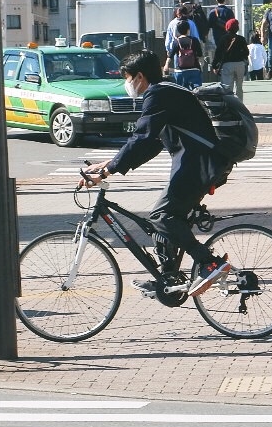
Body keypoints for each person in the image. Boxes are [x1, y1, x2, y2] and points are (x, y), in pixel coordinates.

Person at [81, 49, 231, 296]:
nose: (127, 84)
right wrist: (110, 162)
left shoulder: (157, 94)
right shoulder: (168, 90)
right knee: (164, 220)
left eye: (127, 78)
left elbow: (142, 137)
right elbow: (151, 143)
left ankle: (210, 263)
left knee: (161, 216)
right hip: (201, 162)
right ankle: (168, 280)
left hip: (200, 164)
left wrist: (107, 171)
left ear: (139, 76)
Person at [214, 17, 250, 99]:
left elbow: (218, 53)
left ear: (227, 27)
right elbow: (246, 53)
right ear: (237, 28)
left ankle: (229, 105)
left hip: (227, 65)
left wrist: (215, 66)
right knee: (239, 87)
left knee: (227, 87)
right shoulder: (241, 39)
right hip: (240, 64)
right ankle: (240, 106)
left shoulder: (223, 39)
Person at [169, 24, 206, 89]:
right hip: (194, 69)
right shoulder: (194, 40)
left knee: (181, 92)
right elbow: (200, 55)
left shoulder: (176, 42)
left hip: (180, 71)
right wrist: (201, 66)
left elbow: (170, 55)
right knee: (197, 91)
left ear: (178, 31)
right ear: (188, 30)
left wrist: (166, 65)